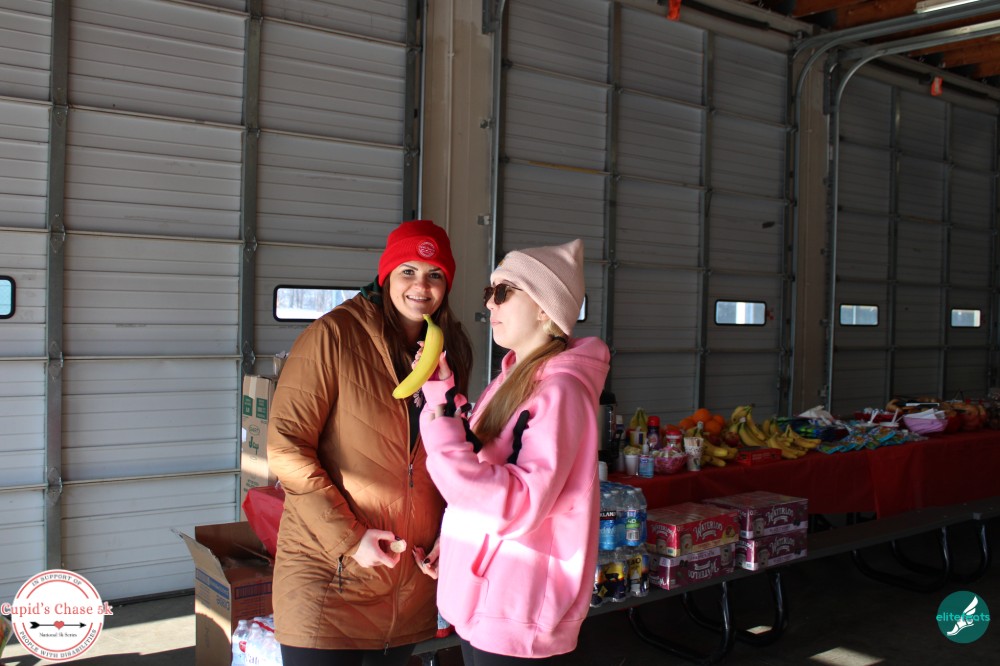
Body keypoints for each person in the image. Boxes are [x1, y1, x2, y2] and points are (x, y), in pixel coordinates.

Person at [266, 219, 474, 666]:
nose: (421, 286)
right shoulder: (334, 336)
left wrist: (452, 533)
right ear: (386, 276)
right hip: (329, 575)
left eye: (435, 274)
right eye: (408, 271)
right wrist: (350, 538)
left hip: (408, 582)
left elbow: (456, 451)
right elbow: (287, 445)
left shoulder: (451, 348)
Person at [419, 239, 611, 664]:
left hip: (517, 612)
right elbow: (483, 457)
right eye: (489, 292)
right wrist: (441, 398)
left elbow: (519, 504)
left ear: (545, 309)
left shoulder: (561, 392)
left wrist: (440, 439)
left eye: (503, 292)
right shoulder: (512, 378)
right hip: (485, 600)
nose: (491, 304)